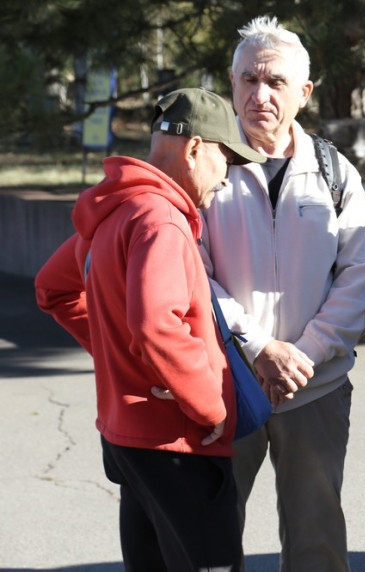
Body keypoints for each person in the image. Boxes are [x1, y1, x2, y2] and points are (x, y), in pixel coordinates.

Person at [34, 87, 266, 570]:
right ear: (196, 149)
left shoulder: (117, 209)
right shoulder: (162, 219)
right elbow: (155, 323)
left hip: (128, 440)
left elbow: (53, 289)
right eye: (226, 159)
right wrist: (210, 403)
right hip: (178, 442)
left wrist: (122, 356)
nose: (226, 178)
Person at [199, 16, 365, 572]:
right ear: (231, 84)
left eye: (276, 82)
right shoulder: (204, 164)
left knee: (316, 542)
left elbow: (361, 270)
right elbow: (190, 270)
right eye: (248, 80)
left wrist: (305, 353)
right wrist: (258, 347)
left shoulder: (334, 172)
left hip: (315, 386)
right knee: (208, 535)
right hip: (228, 386)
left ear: (303, 92)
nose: (260, 95)